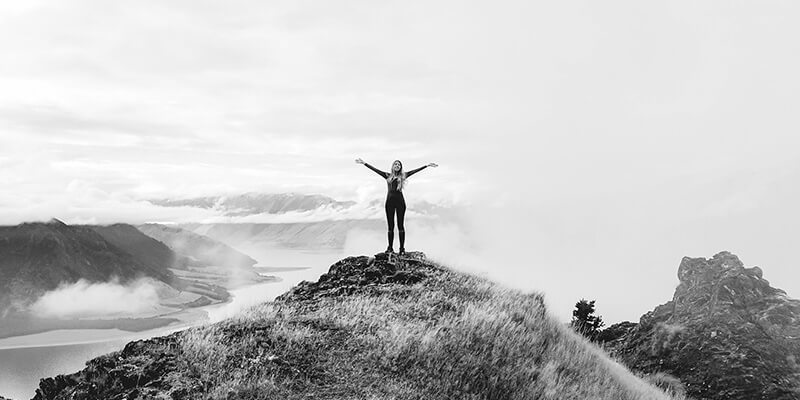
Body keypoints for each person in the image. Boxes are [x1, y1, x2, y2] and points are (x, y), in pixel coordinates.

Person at [355, 158, 438, 255]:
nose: (397, 166)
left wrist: (426, 165)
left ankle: (402, 249)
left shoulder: (403, 176)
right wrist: (364, 163)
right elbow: (375, 170)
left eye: (399, 165)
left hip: (400, 203)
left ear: (400, 167)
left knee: (400, 226)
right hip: (389, 203)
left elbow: (415, 171)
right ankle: (390, 248)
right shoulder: (387, 176)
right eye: (395, 164)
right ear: (393, 166)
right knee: (390, 227)